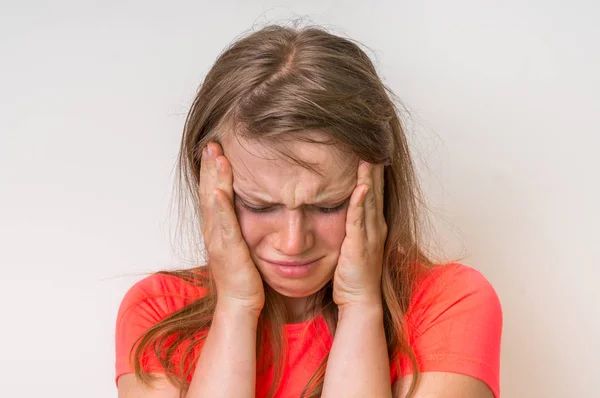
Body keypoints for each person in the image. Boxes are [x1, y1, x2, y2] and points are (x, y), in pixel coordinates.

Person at [115, 23, 502, 398]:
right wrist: (234, 306)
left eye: (327, 206)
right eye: (259, 205)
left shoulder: (448, 303)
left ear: (378, 188)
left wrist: (360, 305)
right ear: (210, 189)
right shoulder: (157, 312)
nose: (293, 242)